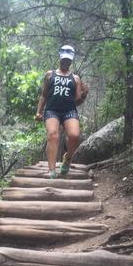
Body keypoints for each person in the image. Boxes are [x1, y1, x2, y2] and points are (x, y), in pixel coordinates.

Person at [35, 45, 88, 178]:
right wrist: (39, 112)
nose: (66, 62)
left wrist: (84, 95)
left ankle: (67, 158)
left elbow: (77, 101)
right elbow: (44, 95)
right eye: (64, 60)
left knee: (75, 136)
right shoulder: (49, 74)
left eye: (68, 60)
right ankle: (51, 170)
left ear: (71, 61)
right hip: (52, 110)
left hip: (69, 110)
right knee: (53, 135)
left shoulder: (75, 78)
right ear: (60, 58)